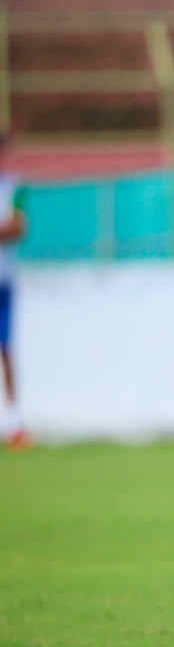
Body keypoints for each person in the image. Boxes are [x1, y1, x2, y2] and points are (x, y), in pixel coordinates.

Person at [0, 134, 29, 449]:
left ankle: (14, 425)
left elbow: (17, 229)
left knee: (6, 350)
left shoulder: (15, 186)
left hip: (4, 281)